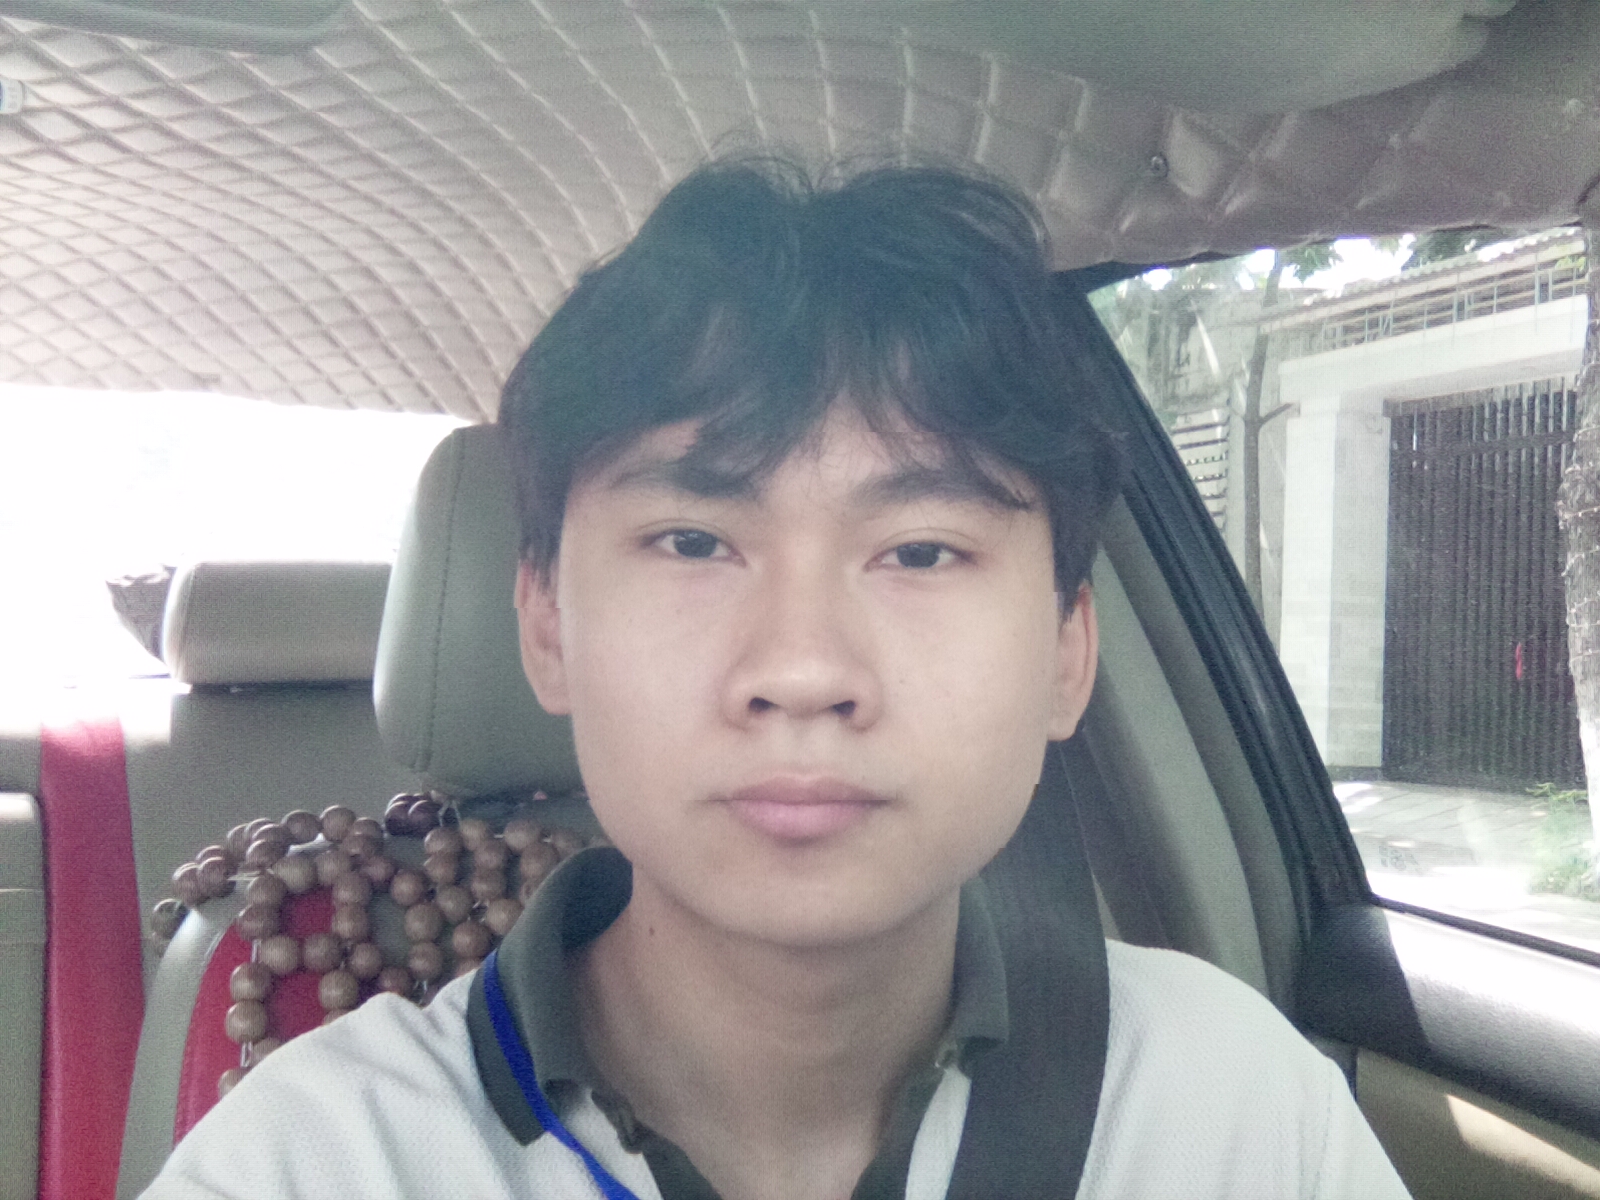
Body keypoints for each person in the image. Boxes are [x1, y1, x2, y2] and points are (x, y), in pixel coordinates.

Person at [143, 157, 1410, 1199]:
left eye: (921, 550)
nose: (802, 670)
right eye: (693, 542)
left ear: (1067, 653)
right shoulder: (313, 1164)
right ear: (546, 624)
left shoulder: (1233, 1114)